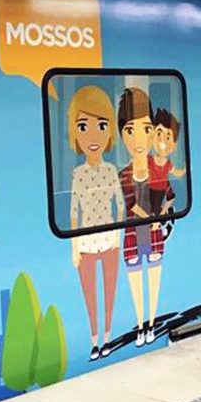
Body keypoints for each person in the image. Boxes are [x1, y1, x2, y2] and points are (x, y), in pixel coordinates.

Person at [68, 86, 124, 361]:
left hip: (109, 238)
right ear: (75, 133)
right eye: (83, 126)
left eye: (101, 126)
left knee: (109, 291)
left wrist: (118, 236)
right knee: (90, 294)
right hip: (87, 241)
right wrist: (74, 248)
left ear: (110, 131)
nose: (92, 136)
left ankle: (107, 337)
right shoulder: (77, 174)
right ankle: (93, 340)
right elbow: (73, 212)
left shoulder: (111, 170)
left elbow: (120, 204)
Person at [117, 87, 163, 347]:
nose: (138, 138)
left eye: (145, 129)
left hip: (153, 235)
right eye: (130, 131)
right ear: (123, 136)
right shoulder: (124, 174)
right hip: (134, 234)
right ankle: (140, 326)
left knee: (153, 281)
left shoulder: (158, 169)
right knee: (137, 283)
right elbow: (130, 204)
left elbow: (167, 194)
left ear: (153, 132)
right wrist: (152, 216)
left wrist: (162, 214)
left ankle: (151, 324)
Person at [149, 108, 186, 216]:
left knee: (158, 207)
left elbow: (176, 173)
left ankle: (161, 215)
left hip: (162, 189)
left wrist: (185, 169)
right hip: (150, 188)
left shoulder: (168, 163)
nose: (162, 141)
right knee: (151, 208)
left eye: (168, 136)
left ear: (174, 145)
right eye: (159, 134)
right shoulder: (149, 160)